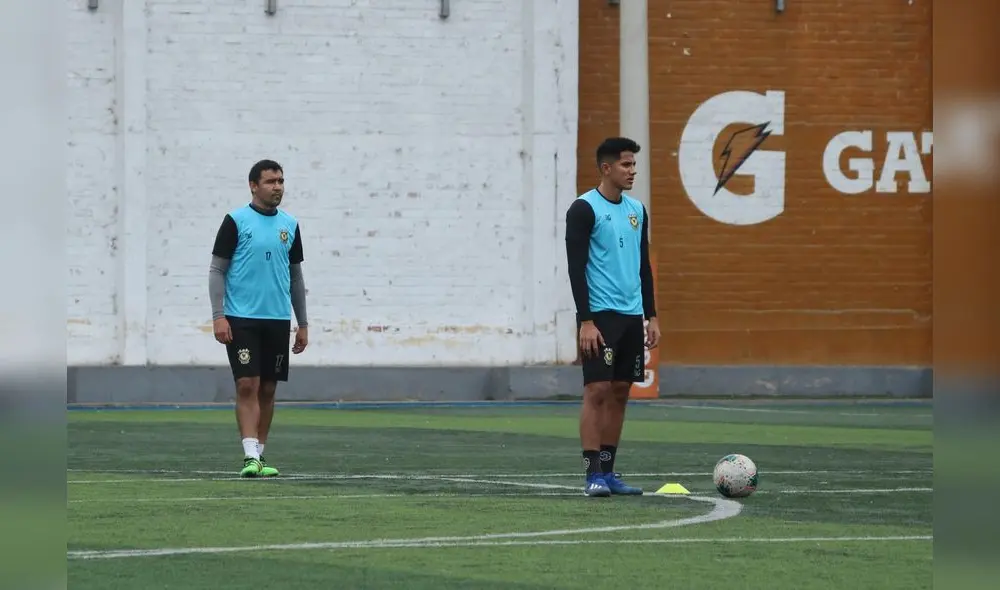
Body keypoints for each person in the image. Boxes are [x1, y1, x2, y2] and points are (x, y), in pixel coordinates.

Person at [564, 137, 660, 497]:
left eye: (634, 164)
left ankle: (608, 471)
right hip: (600, 316)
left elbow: (643, 267)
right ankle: (592, 474)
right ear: (606, 168)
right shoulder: (583, 209)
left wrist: (651, 316)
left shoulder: (637, 210)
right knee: (597, 389)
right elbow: (576, 268)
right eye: (626, 165)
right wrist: (585, 321)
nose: (632, 171)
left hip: (631, 315)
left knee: (620, 391)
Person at [208, 159, 309, 478]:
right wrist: (218, 316)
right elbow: (217, 270)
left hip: (277, 319)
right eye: (270, 181)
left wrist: (303, 323)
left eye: (281, 181)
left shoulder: (290, 225)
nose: (277, 187)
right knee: (247, 383)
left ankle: (260, 456)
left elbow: (296, 277)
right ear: (253, 186)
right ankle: (249, 455)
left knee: (268, 388)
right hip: (241, 318)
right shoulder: (235, 221)